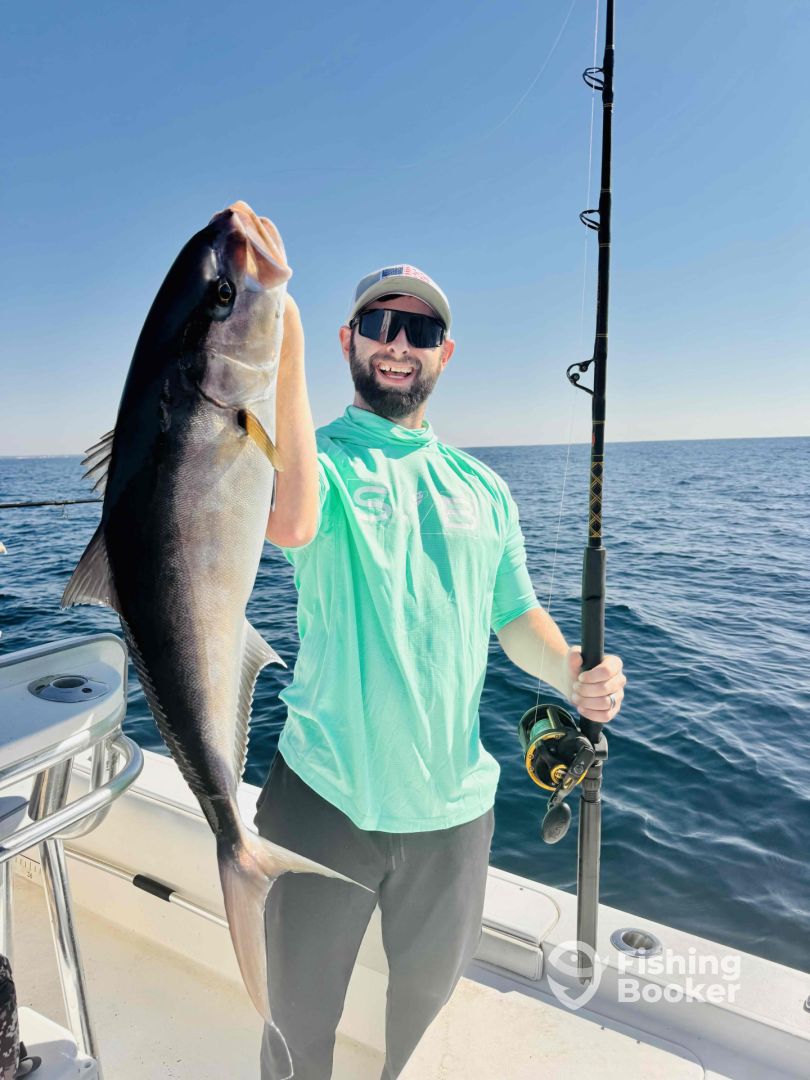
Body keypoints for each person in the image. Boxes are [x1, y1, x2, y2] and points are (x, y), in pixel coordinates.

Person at [256, 266, 626, 1079]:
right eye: (378, 325)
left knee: (423, 1028)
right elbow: (291, 523)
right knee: (294, 1025)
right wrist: (285, 351)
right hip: (321, 797)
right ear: (348, 341)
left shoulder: (484, 489)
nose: (398, 343)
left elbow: (516, 618)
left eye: (420, 330)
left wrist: (572, 669)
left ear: (445, 353)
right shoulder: (316, 460)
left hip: (453, 813)